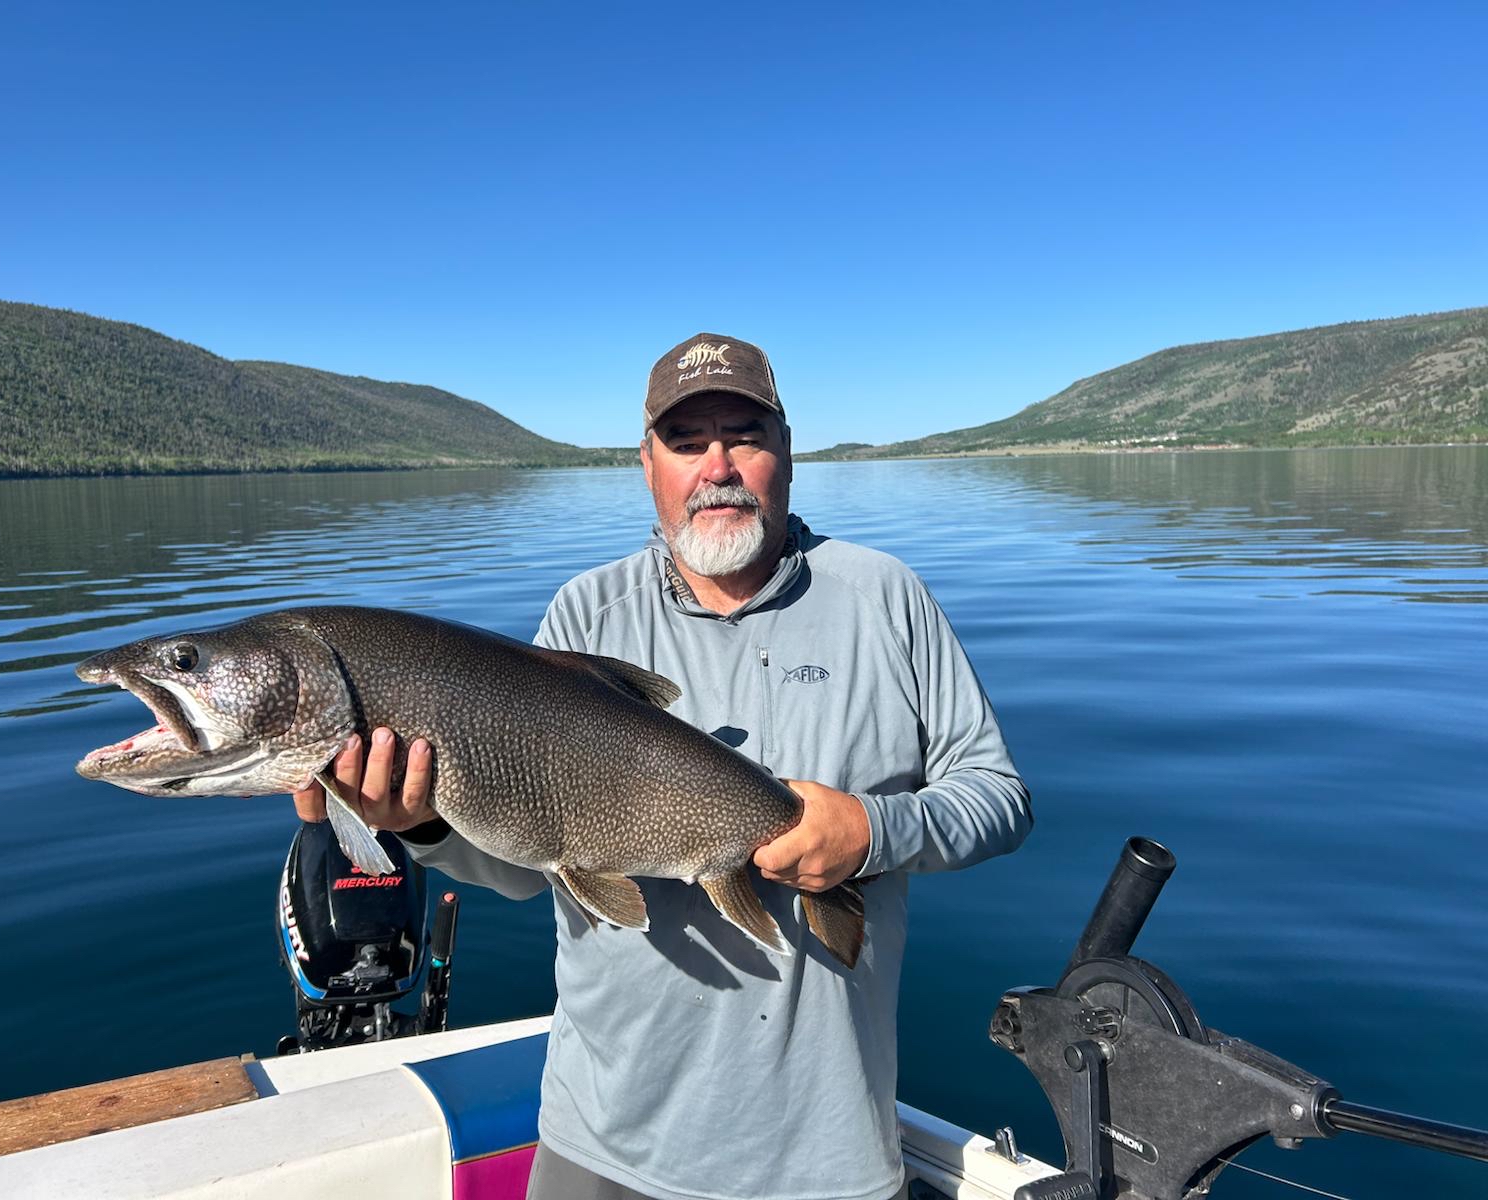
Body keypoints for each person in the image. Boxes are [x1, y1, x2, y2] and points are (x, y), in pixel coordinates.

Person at [292, 333, 1032, 1200]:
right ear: (648, 464)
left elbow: (1000, 798)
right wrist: (418, 824)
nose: (716, 466)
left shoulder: (886, 598)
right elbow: (529, 866)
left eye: (743, 435)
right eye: (687, 442)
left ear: (785, 450)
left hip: (826, 1156)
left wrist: (875, 832)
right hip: (601, 1142)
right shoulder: (583, 613)